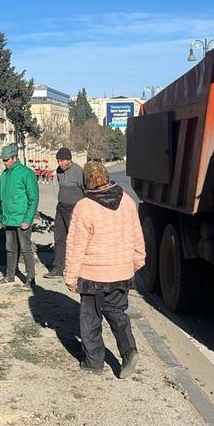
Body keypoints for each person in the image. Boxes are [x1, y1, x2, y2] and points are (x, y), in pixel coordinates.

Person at [65, 161, 145, 379]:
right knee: (117, 313)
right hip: (121, 272)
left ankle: (94, 363)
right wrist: (137, 261)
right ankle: (129, 351)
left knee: (90, 320)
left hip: (93, 275)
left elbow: (75, 245)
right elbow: (137, 234)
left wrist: (71, 276)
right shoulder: (127, 202)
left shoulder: (84, 207)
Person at [0, 144, 39, 289]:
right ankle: (10, 276)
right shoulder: (4, 175)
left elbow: (33, 198)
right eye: (3, 160)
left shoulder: (26, 173)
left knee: (25, 249)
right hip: (8, 219)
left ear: (14, 158)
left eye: (6, 160)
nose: (4, 162)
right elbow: (1, 198)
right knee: (10, 248)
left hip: (22, 220)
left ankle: (31, 278)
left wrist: (28, 219)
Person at [44, 147, 85, 278]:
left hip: (75, 209)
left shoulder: (78, 172)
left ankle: (77, 268)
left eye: (62, 161)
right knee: (59, 238)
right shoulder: (59, 171)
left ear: (69, 160)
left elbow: (86, 191)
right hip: (61, 208)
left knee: (74, 240)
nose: (59, 163)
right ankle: (58, 267)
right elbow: (59, 187)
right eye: (58, 161)